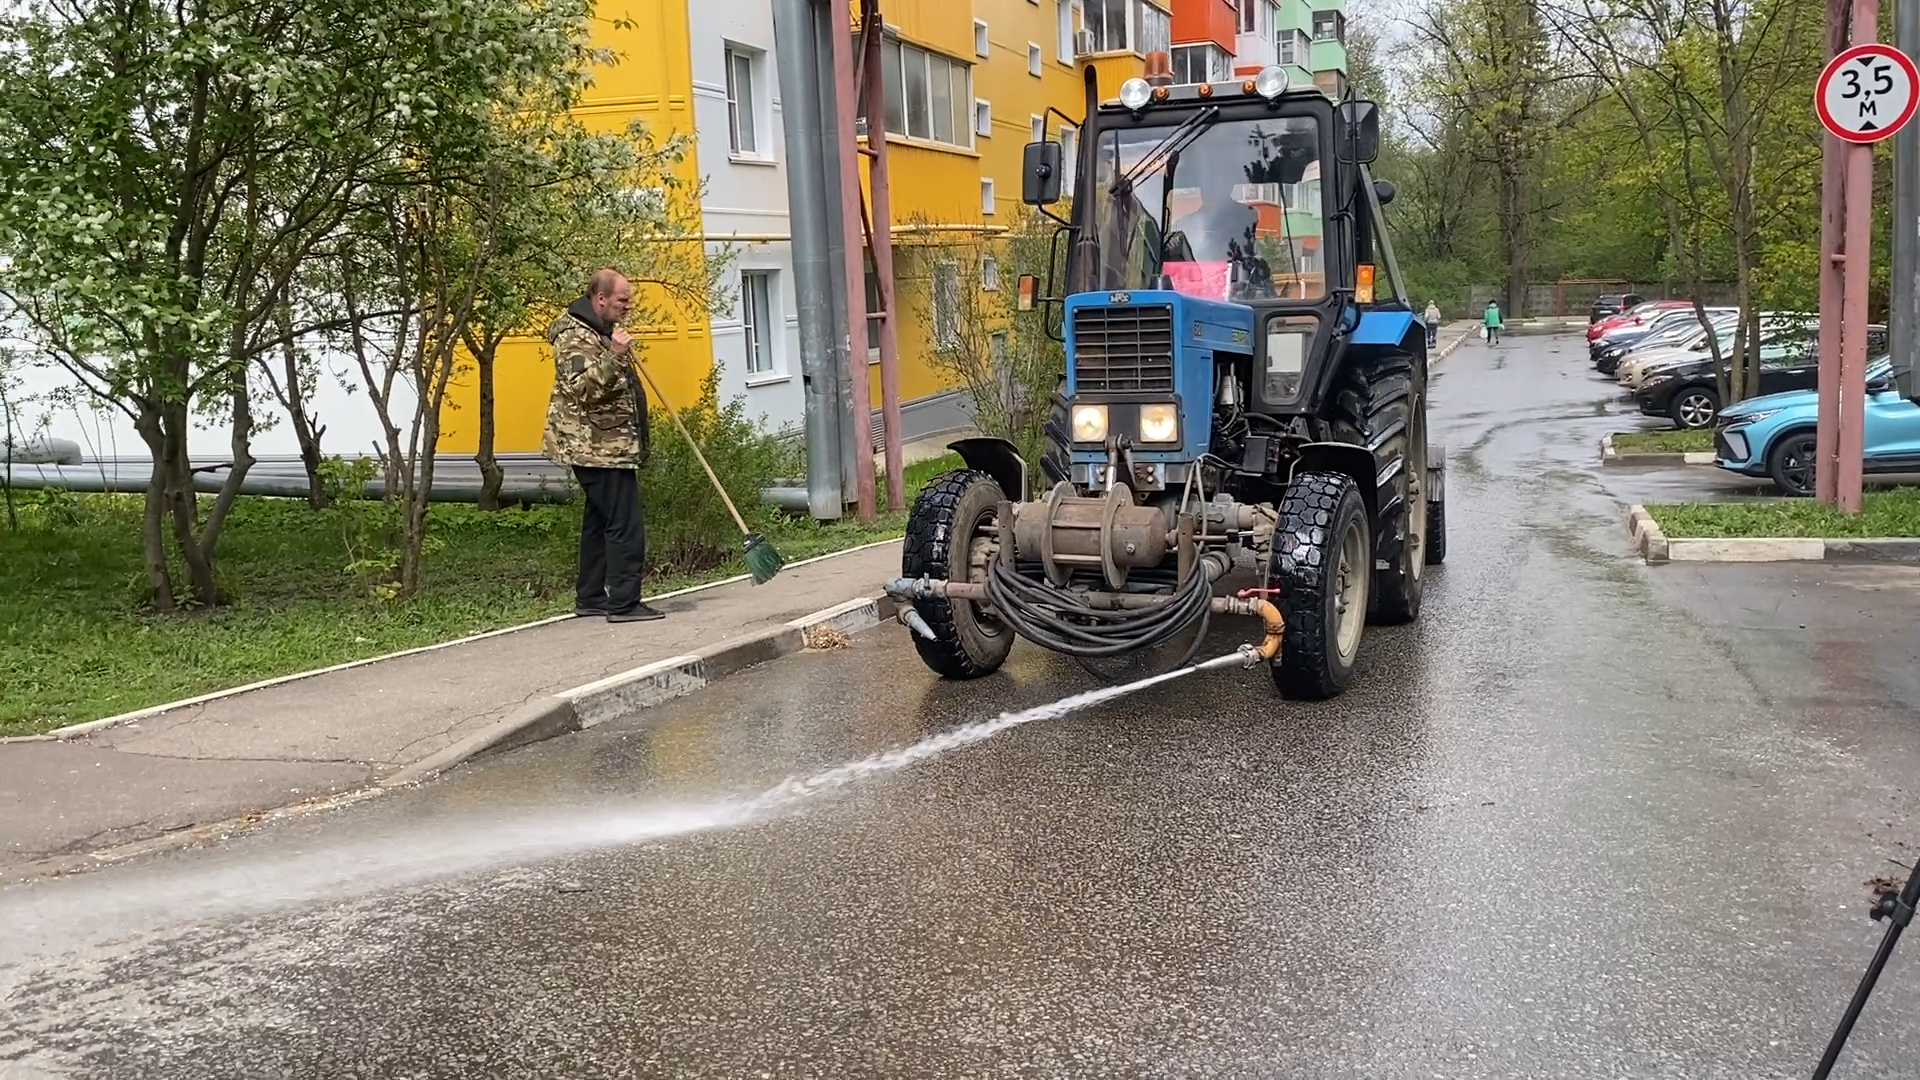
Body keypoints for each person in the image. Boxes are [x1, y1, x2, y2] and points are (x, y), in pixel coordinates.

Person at [542, 268, 663, 623]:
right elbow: (584, 389)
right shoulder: (574, 336)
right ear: (600, 299)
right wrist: (615, 355)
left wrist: (613, 349)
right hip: (596, 448)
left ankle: (592, 596)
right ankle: (624, 603)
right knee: (625, 524)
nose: (629, 305)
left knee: (600, 523)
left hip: (606, 445)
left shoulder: (598, 329)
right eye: (623, 300)